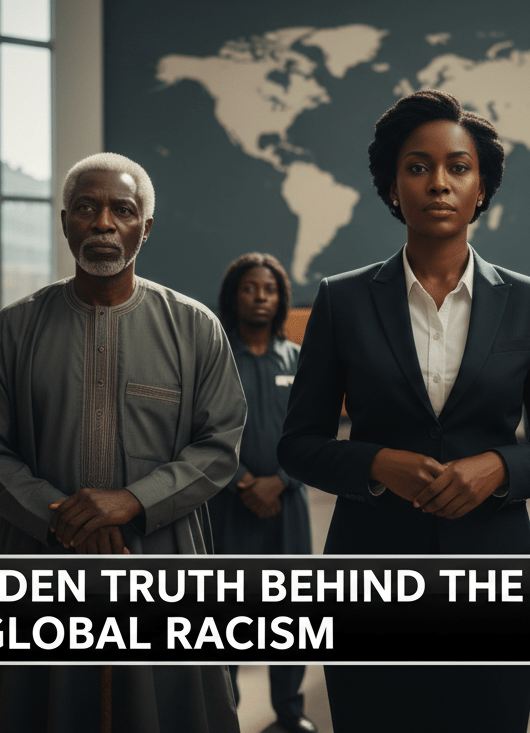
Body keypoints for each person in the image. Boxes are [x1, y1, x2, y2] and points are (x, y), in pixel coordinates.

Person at [277, 90, 530, 733]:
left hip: (494, 568)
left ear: (481, 189)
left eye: (458, 167)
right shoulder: (341, 300)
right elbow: (299, 444)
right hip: (369, 566)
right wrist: (376, 463)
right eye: (417, 167)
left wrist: (497, 469)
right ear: (393, 187)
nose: (437, 183)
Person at [0, 152, 245, 733]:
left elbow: (220, 446)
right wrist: (62, 514)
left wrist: (132, 501)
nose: (104, 223)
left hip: (160, 562)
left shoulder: (194, 328)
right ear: (66, 222)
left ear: (146, 227)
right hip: (43, 563)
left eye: (123, 209)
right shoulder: (13, 329)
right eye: (87, 208)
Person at [209, 252, 316, 733]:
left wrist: (281, 480)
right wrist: (243, 482)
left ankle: (290, 715)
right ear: (235, 296)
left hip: (287, 504)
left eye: (269, 289)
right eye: (250, 288)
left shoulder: (299, 359)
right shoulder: (213, 357)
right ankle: (220, 711)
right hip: (229, 505)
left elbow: (317, 435)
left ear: (281, 299)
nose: (260, 296)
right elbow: (197, 431)